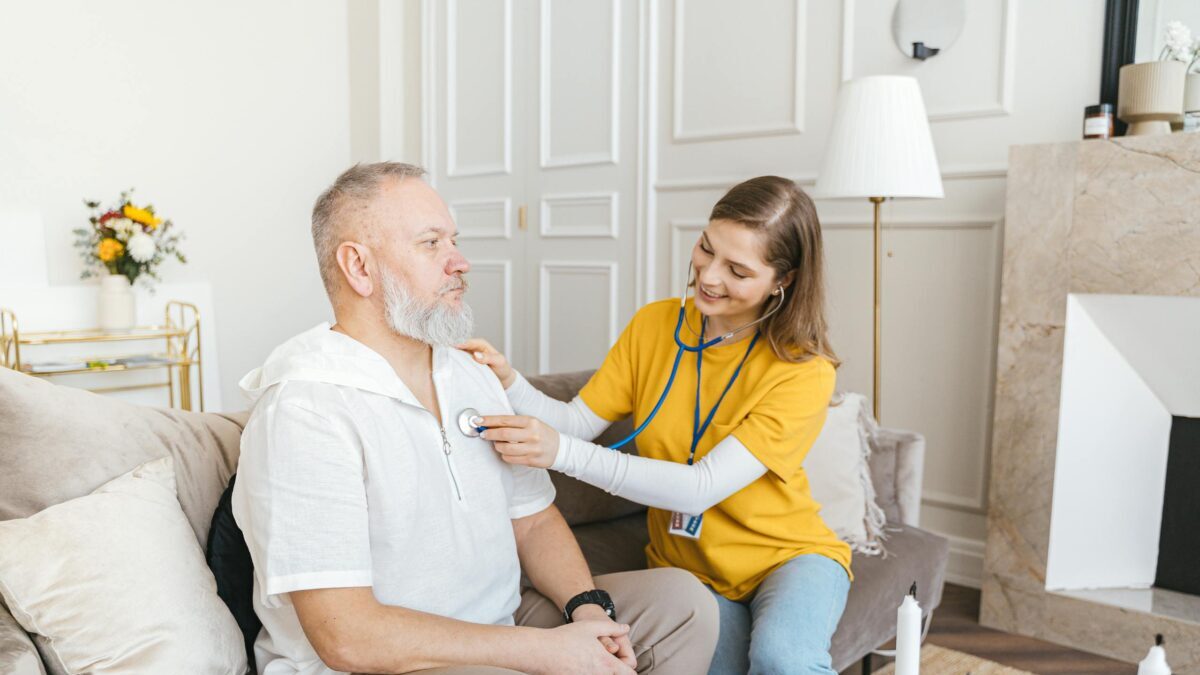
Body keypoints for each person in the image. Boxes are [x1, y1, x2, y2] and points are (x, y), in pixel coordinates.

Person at [232, 162, 718, 675]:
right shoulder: (306, 408)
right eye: (431, 243)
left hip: (503, 625)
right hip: (388, 662)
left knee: (680, 606)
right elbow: (347, 636)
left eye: (454, 241)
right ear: (359, 267)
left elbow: (532, 522)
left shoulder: (470, 372)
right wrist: (547, 652)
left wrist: (588, 611)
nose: (460, 261)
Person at [461, 176, 851, 675]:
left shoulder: (803, 371)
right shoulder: (654, 325)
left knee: (783, 659)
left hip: (787, 559)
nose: (708, 276)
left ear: (784, 280)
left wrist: (561, 453)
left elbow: (699, 488)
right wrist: (509, 380)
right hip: (688, 569)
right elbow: (577, 421)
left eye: (737, 270)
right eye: (706, 249)